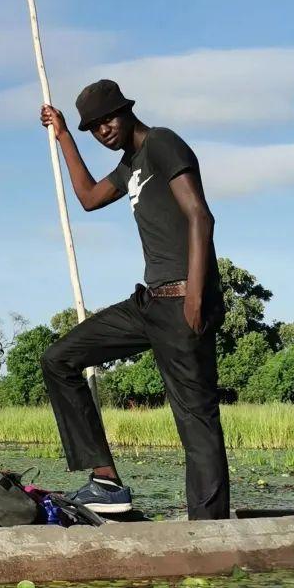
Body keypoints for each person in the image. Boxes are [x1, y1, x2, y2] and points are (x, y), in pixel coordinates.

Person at [38, 79, 229, 520]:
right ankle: (105, 481)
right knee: (59, 359)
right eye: (93, 127)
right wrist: (65, 136)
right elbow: (87, 198)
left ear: (126, 110)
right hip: (148, 305)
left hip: (184, 299)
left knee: (195, 419)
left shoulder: (163, 143)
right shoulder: (130, 166)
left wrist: (196, 298)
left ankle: (211, 528)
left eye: (107, 119)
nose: (103, 130)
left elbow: (200, 216)